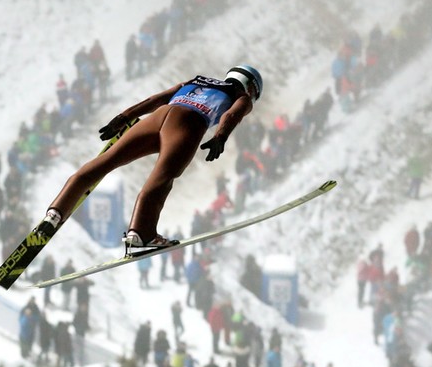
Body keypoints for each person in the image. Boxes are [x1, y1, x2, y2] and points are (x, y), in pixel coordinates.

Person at [35, 65, 263, 250]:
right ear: (251, 88)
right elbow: (232, 114)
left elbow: (156, 99)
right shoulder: (241, 96)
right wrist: (220, 137)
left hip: (158, 117)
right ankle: (141, 234)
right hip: (189, 123)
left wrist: (124, 117)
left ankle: (55, 212)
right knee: (162, 177)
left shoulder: (197, 80)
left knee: (106, 161)